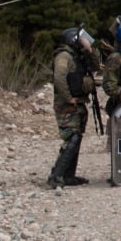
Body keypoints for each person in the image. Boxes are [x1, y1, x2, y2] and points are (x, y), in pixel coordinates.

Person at [48, 26, 100, 188]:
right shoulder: (64, 56)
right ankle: (56, 176)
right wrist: (68, 98)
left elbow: (96, 66)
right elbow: (59, 77)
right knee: (72, 137)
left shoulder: (78, 56)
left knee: (77, 137)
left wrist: (90, 51)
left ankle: (68, 176)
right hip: (67, 105)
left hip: (78, 103)